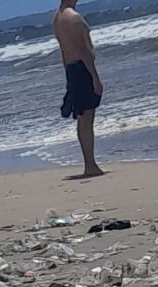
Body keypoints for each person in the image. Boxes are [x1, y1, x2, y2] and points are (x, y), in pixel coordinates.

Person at [53, 0, 104, 178]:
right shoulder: (73, 18)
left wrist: (68, 73)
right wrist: (95, 78)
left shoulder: (57, 18)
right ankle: (90, 165)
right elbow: (84, 51)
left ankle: (89, 163)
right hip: (82, 69)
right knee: (87, 117)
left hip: (72, 69)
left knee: (82, 118)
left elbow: (63, 51)